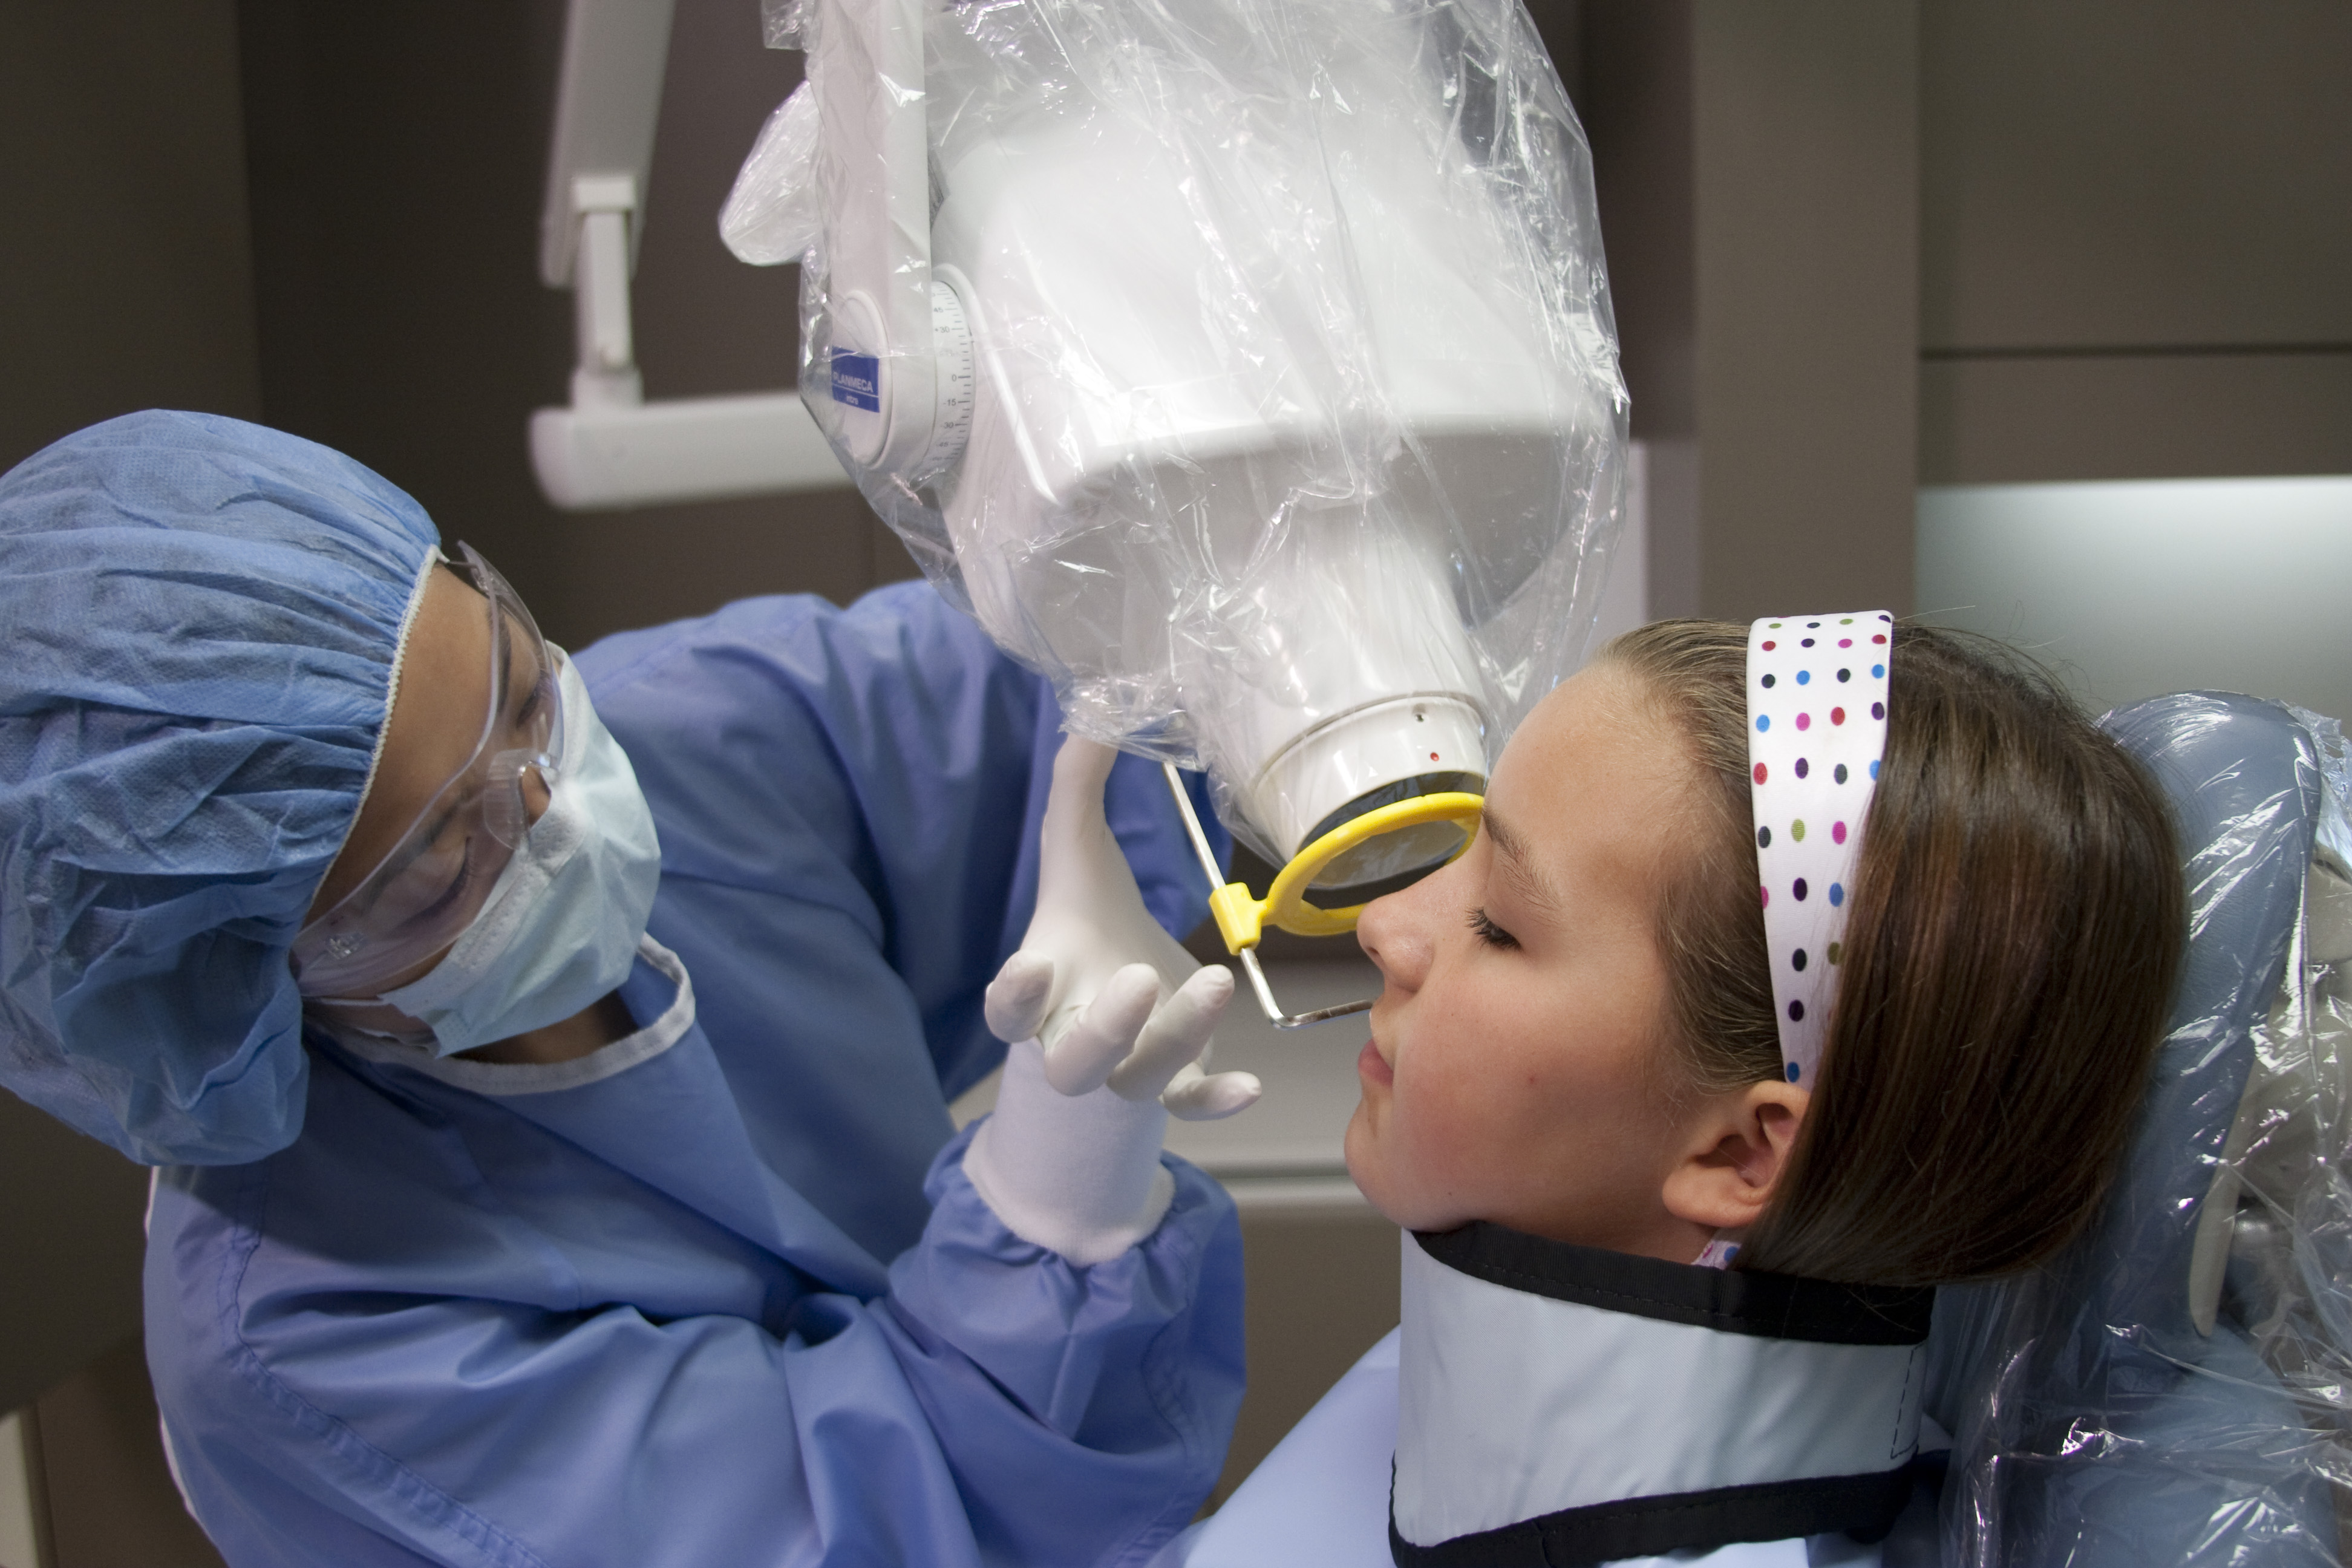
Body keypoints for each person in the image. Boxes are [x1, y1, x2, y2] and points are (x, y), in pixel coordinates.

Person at [0, 410, 1263, 1568]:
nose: (553, 808)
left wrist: (1215, 623)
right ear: (231, 986)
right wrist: (1058, 1204)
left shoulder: (693, 734)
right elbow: (874, 1534)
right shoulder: (311, 1337)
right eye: (439, 856)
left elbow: (1060, 674)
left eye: (522, 690)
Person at [1169, 616, 2184, 1568]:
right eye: (1465, 843)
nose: (1386, 923)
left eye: (1500, 924)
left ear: (1739, 1156)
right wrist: (1067, 1194)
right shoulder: (1462, 1421)